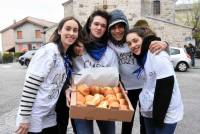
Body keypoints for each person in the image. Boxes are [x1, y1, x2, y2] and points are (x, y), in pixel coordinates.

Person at [15, 16, 82, 134]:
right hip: (34, 115)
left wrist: (67, 89)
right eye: (68, 29)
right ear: (59, 30)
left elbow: (56, 81)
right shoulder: (49, 51)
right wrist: (25, 118)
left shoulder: (64, 55)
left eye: (75, 30)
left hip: (49, 114)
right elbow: (31, 85)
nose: (71, 33)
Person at [107, 9, 168, 134]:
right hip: (127, 89)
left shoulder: (132, 38)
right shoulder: (109, 43)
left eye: (120, 26)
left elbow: (154, 41)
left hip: (145, 86)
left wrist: (165, 43)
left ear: (126, 26)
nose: (117, 30)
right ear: (109, 29)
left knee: (144, 120)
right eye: (113, 27)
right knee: (127, 120)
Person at [66, 10, 118, 134]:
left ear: (106, 29)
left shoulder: (110, 52)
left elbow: (115, 77)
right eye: (96, 24)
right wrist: (66, 87)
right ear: (90, 25)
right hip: (80, 99)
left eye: (103, 26)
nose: (99, 28)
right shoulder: (76, 47)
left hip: (104, 99)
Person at [126, 26, 183, 134]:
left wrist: (158, 120)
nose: (133, 45)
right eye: (129, 43)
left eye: (135, 40)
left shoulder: (157, 54)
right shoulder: (141, 57)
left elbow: (166, 87)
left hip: (165, 113)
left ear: (143, 39)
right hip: (150, 110)